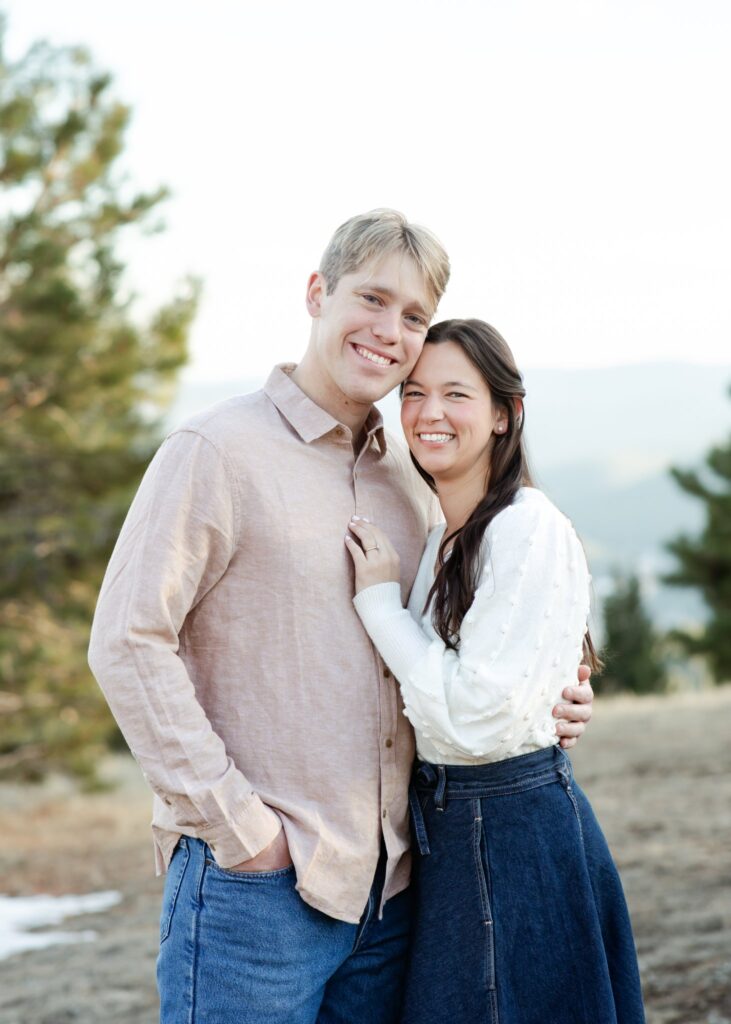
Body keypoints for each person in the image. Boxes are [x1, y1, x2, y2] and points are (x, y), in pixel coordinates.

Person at [88, 211, 595, 1024]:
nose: (390, 332)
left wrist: (547, 699)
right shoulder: (217, 450)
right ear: (317, 293)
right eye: (372, 299)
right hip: (257, 894)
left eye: (413, 316)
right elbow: (127, 640)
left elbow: (457, 640)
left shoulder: (410, 472)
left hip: (394, 892)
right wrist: (242, 831)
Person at [346, 318, 645, 1024]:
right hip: (455, 828)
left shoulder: (523, 526)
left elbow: (475, 717)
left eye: (456, 394)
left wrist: (378, 602)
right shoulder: (444, 532)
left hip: (506, 829)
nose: (429, 413)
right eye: (413, 392)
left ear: (505, 414)